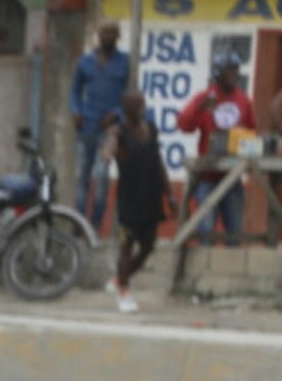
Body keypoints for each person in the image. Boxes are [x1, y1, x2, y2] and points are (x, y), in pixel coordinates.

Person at [178, 50, 260, 256]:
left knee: (234, 231)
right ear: (218, 73)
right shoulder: (205, 98)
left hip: (233, 178)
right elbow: (183, 124)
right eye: (227, 70)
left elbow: (252, 131)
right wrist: (200, 108)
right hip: (207, 177)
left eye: (234, 70)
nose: (232, 74)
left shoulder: (244, 101)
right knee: (205, 230)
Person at [111, 98, 168, 313]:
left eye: (141, 105)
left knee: (148, 246)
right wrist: (109, 153)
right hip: (129, 199)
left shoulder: (151, 129)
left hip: (151, 197)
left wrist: (169, 193)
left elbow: (158, 161)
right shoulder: (120, 132)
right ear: (127, 110)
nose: (139, 109)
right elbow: (110, 146)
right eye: (135, 106)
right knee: (127, 245)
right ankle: (124, 290)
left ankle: (119, 279)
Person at [70, 22, 132, 214]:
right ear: (99, 34)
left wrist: (117, 113)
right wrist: (75, 111)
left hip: (109, 130)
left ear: (118, 36)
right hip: (86, 127)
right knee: (81, 177)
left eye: (112, 33)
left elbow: (131, 93)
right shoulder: (85, 61)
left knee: (101, 176)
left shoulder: (125, 61)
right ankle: (79, 223)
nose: (108, 36)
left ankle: (95, 226)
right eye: (104, 32)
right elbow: (74, 90)